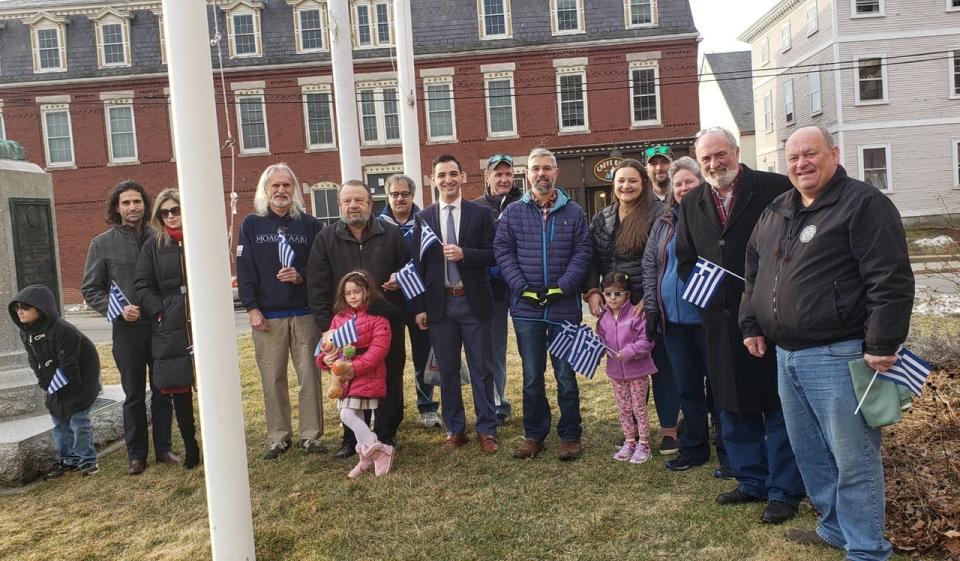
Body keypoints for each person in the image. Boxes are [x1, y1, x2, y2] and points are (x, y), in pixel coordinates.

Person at [741, 126, 915, 559]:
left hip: (840, 353)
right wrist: (751, 323)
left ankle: (866, 546)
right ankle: (834, 527)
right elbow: (754, 271)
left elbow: (890, 279)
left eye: (811, 154)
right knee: (811, 452)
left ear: (834, 154)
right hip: (786, 355)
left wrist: (882, 341)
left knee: (853, 457)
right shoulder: (778, 209)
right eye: (794, 156)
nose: (802, 163)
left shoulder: (863, 204)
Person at [675, 127, 804, 525]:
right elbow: (686, 260)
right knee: (730, 403)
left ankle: (784, 490)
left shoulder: (775, 189)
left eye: (721, 155)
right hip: (719, 321)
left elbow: (796, 249)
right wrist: (713, 302)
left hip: (771, 317)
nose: (715, 164)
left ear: (736, 152)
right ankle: (751, 480)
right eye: (707, 159)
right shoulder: (693, 201)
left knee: (777, 406)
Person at [493, 147, 592, 461]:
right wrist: (521, 287)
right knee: (532, 375)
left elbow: (583, 253)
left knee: (566, 375)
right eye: (535, 168)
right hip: (527, 310)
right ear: (527, 173)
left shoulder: (574, 212)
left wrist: (563, 288)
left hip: (565, 309)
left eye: (547, 168)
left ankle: (570, 435)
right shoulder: (513, 213)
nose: (541, 174)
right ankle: (535, 434)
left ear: (556, 173)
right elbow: (503, 251)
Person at [583, 159, 680, 456]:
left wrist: (647, 300)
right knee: (630, 369)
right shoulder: (604, 217)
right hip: (616, 303)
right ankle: (634, 433)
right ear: (613, 184)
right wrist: (594, 291)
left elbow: (660, 259)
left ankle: (668, 430)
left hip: (646, 302)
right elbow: (593, 259)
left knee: (660, 365)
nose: (626, 186)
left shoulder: (657, 214)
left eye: (633, 181)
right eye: (621, 181)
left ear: (644, 183)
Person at [307, 180, 409, 459]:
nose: (353, 206)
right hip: (344, 329)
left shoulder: (391, 234)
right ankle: (351, 438)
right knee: (348, 378)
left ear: (370, 203)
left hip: (385, 323)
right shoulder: (326, 239)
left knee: (389, 376)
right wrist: (331, 327)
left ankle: (386, 433)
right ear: (340, 205)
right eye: (347, 201)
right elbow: (316, 286)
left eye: (359, 201)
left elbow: (408, 270)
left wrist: (400, 288)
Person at [81, 180, 176, 476]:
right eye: (126, 203)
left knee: (164, 389)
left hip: (160, 327)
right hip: (127, 331)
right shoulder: (101, 244)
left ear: (146, 205)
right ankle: (136, 455)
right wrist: (119, 310)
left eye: (137, 202)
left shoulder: (160, 238)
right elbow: (91, 288)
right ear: (117, 208)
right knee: (133, 393)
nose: (133, 207)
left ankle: (164, 448)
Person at [643, 156, 729, 474]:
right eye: (677, 183)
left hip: (708, 319)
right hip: (674, 322)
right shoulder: (664, 223)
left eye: (688, 182)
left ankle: (728, 449)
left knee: (718, 387)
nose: (682, 188)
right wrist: (653, 308)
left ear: (701, 183)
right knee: (688, 386)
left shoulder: (715, 217)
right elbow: (650, 265)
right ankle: (694, 447)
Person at [237, 164, 325, 460]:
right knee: (272, 378)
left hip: (303, 312)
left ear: (295, 190)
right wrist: (251, 308)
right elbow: (245, 269)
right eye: (275, 186)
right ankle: (279, 436)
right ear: (265, 190)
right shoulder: (251, 224)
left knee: (309, 377)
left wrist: (300, 275)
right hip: (268, 316)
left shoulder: (310, 225)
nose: (281, 191)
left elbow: (319, 266)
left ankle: (311, 436)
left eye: (287, 185)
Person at [413, 155, 499, 453]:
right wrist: (420, 307)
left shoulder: (480, 214)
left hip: (473, 302)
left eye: (453, 174)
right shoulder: (424, 218)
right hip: (440, 307)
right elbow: (418, 266)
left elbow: (494, 254)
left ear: (462, 176)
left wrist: (466, 255)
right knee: (447, 371)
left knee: (481, 369)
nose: (448, 180)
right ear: (433, 179)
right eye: (441, 175)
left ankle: (487, 429)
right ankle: (455, 429)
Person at [133, 189, 201, 470]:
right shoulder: (154, 245)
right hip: (169, 321)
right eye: (165, 212)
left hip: (199, 314)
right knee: (179, 388)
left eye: (176, 210)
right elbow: (142, 284)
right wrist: (159, 311)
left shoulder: (198, 238)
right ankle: (191, 447)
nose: (172, 216)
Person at [10, 285, 102, 478]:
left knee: (78, 422)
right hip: (55, 382)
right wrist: (45, 383)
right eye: (18, 307)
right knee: (59, 422)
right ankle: (69, 460)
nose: (20, 312)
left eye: (25, 307)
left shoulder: (63, 330)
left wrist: (72, 391)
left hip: (79, 382)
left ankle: (87, 461)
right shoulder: (26, 332)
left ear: (40, 309)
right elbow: (34, 360)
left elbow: (69, 363)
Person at [317, 271, 395, 478]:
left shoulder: (379, 317)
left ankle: (379, 449)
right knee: (355, 416)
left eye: (357, 292)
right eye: (347, 293)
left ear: (367, 291)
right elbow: (326, 345)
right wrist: (325, 360)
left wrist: (355, 367)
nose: (352, 297)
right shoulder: (339, 318)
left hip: (367, 373)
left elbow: (378, 350)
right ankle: (366, 457)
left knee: (347, 414)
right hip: (344, 377)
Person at [378, 174, 440, 429]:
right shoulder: (377, 225)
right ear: (387, 196)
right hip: (387, 304)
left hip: (418, 304)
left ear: (412, 196)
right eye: (394, 194)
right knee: (388, 359)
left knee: (423, 357)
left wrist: (421, 304)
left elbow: (430, 263)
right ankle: (388, 409)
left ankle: (427, 408)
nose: (400, 199)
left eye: (404, 194)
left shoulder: (424, 223)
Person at [474, 154, 522, 425]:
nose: (503, 179)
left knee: (531, 348)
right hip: (491, 288)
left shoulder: (525, 204)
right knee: (493, 348)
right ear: (487, 177)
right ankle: (496, 401)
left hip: (522, 286)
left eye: (507, 174)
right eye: (497, 174)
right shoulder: (476, 208)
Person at [595, 272, 657, 464]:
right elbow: (602, 338)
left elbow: (647, 341)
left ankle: (644, 443)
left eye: (618, 293)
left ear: (627, 295)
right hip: (616, 372)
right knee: (623, 408)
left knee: (639, 407)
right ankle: (629, 441)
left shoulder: (636, 315)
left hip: (637, 371)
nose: (612, 298)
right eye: (608, 294)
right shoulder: (603, 317)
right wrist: (597, 344)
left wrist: (630, 351)